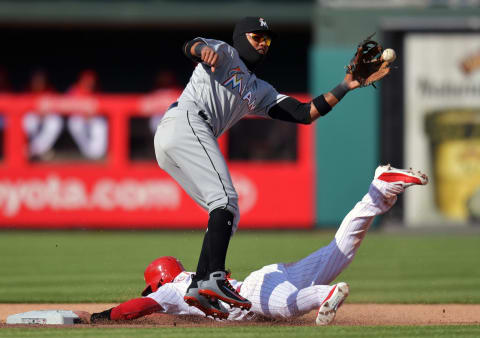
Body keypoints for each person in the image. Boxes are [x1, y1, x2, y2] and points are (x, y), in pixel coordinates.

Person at [153, 16, 367, 317]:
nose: (264, 44)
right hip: (186, 121)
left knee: (226, 210)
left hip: (176, 137)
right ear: (242, 38)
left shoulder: (260, 90)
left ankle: (200, 285)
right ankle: (213, 279)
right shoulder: (225, 53)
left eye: (267, 39)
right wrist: (202, 51)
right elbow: (191, 45)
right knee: (225, 201)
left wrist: (345, 86)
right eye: (258, 37)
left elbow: (305, 112)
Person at [88, 165, 428, 324]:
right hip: (266, 277)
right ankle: (381, 189)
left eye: (151, 286)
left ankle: (326, 295)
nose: (150, 291)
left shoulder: (173, 291)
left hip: (257, 292)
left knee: (291, 306)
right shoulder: (191, 277)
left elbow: (138, 307)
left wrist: (105, 317)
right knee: (339, 250)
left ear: (159, 280)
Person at [22, 69, 63, 161]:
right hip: (32, 118)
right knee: (28, 121)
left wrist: (45, 113)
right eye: (36, 80)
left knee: (55, 121)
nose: (38, 83)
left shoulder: (50, 90)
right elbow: (21, 109)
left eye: (41, 80)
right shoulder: (27, 90)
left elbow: (58, 108)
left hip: (46, 117)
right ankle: (39, 151)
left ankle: (33, 151)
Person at [66, 69, 107, 160]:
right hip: (78, 118)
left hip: (93, 118)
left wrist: (91, 115)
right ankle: (88, 153)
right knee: (75, 124)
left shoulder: (96, 91)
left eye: (91, 81)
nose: (89, 83)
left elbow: (103, 109)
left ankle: (97, 154)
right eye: (87, 80)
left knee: (101, 124)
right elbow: (66, 109)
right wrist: (82, 114)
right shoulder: (73, 90)